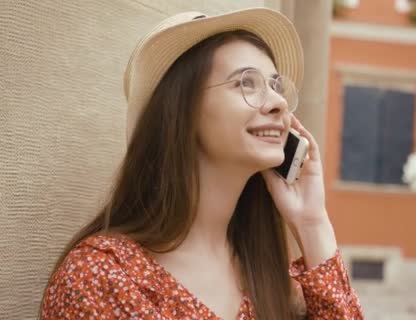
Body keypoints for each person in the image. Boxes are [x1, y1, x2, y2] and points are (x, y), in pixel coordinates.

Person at [40, 7, 364, 320]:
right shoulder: (101, 278)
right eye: (246, 83)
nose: (279, 102)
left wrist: (312, 223)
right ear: (182, 111)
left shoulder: (273, 281)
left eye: (276, 86)